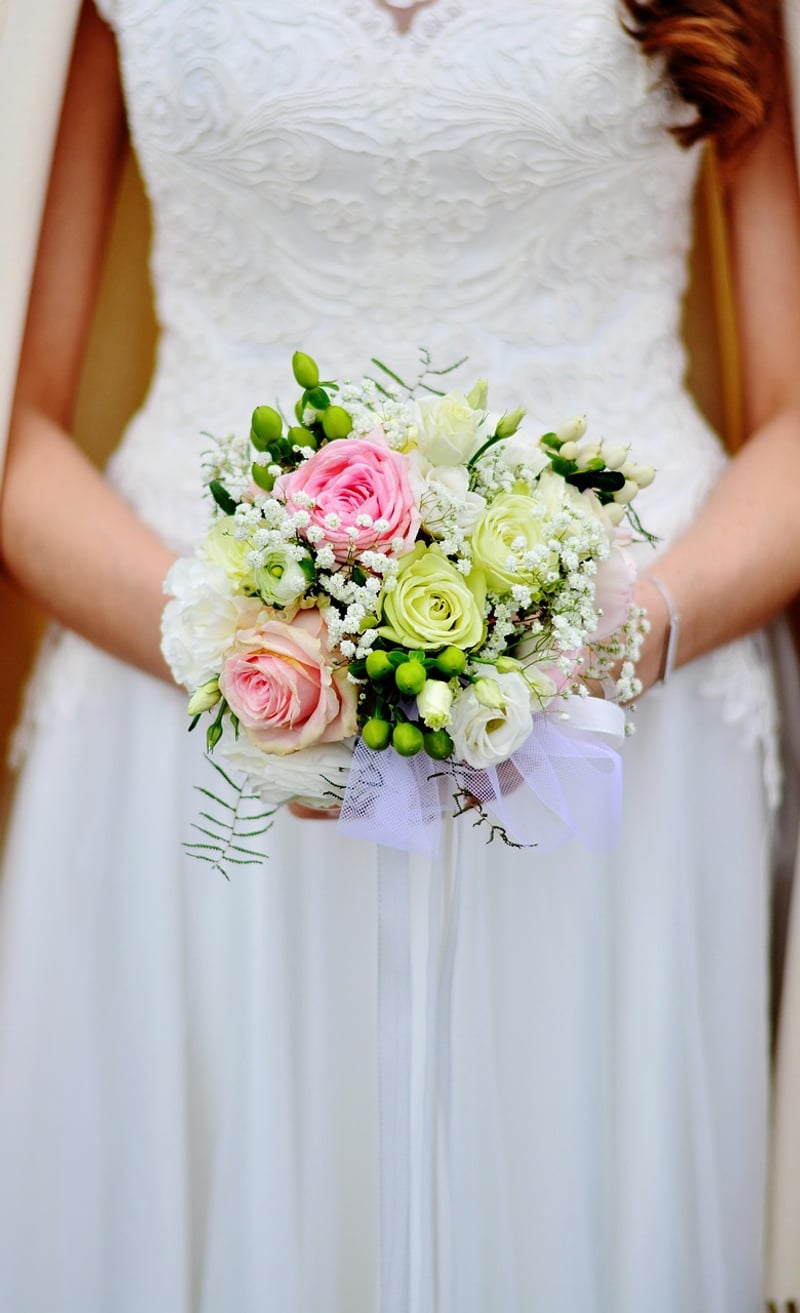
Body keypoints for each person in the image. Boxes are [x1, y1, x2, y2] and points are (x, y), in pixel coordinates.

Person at [1, 1, 799, 1309]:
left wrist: (626, 633)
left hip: (619, 749)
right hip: (192, 728)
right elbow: (14, 436)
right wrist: (231, 641)